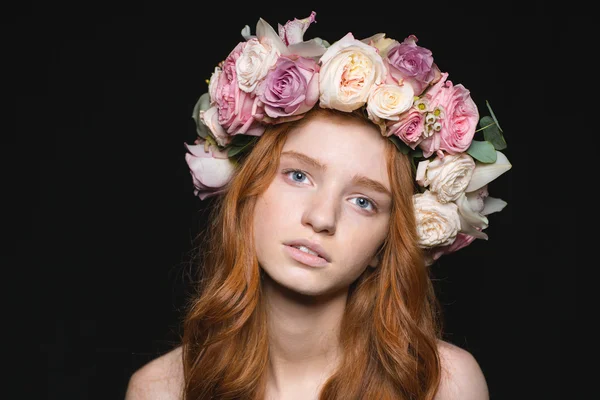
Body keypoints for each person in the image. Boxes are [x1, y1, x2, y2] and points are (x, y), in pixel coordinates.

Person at [125, 11, 511, 400]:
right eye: (298, 176)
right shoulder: (161, 390)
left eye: (363, 202)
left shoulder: (445, 385)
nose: (322, 218)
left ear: (386, 241)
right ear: (247, 192)